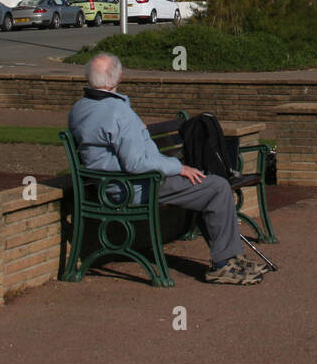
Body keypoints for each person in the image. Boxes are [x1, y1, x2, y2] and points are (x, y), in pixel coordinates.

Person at [67, 53, 267, 285]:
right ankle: (223, 264)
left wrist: (136, 130)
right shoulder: (118, 112)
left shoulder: (80, 108)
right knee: (217, 187)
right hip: (134, 187)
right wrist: (178, 167)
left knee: (208, 186)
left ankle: (232, 258)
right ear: (119, 77)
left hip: (108, 184)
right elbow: (136, 164)